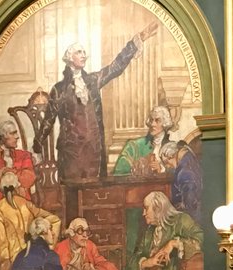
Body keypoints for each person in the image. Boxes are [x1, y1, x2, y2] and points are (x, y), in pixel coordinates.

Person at [34, 30, 157, 181]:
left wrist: (135, 42)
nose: (83, 55)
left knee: (94, 195)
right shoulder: (59, 89)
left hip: (94, 149)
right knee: (73, 195)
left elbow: (115, 67)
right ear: (69, 57)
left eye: (84, 52)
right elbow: (48, 119)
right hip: (72, 153)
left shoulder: (93, 80)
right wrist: (37, 144)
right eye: (79, 52)